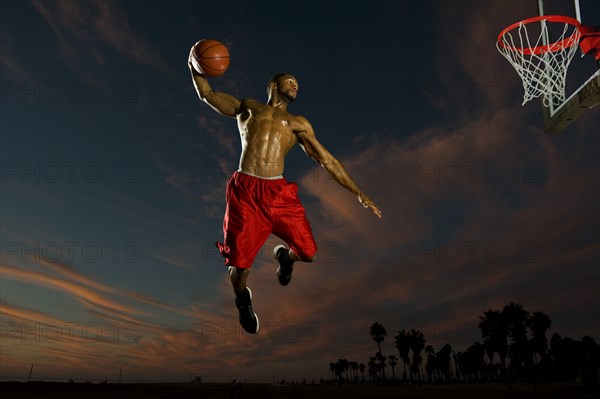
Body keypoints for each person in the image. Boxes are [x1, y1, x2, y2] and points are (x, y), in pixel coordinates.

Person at [189, 44, 381, 334]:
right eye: (290, 81)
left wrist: (358, 192)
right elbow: (208, 95)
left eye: (298, 84)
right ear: (273, 85)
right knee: (239, 268)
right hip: (246, 192)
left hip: (279, 194)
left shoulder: (298, 124)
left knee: (309, 253)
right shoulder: (249, 108)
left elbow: (327, 159)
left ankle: (285, 257)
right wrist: (193, 65)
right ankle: (243, 301)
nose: (296, 86)